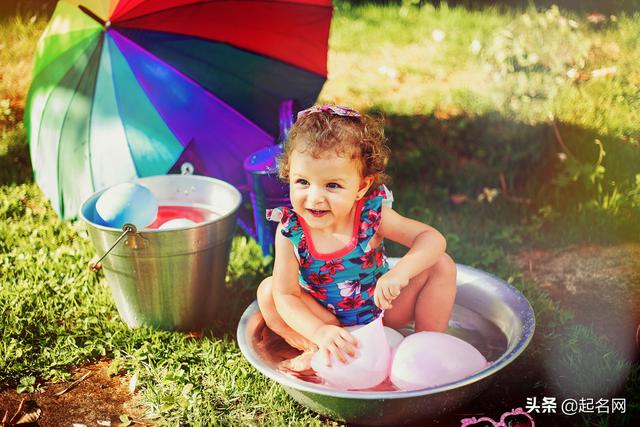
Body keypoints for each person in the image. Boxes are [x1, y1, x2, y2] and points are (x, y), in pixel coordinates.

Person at [257, 104, 457, 366]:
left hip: (381, 308)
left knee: (441, 264)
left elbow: (432, 239)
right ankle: (316, 349)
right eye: (302, 182)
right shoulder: (291, 231)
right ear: (289, 175)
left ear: (361, 187)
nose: (315, 197)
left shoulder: (370, 215)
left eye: (332, 185)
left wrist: (400, 272)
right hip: (325, 318)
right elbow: (287, 296)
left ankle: (424, 349)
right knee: (269, 291)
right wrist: (319, 330)